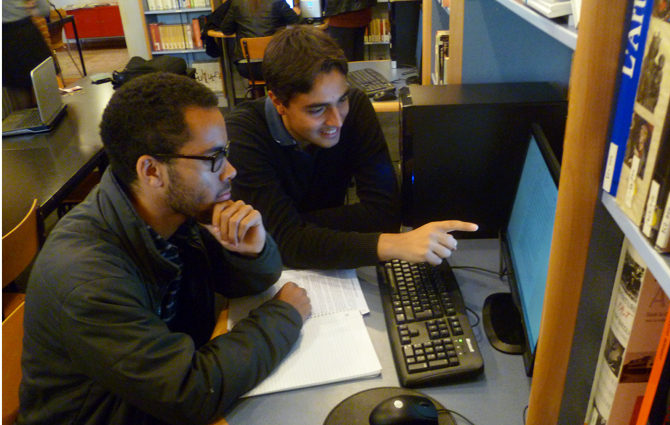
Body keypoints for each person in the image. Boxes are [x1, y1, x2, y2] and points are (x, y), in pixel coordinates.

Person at [17, 73, 312, 425]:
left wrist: (251, 251)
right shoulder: (86, 277)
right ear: (152, 171)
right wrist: (283, 317)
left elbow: (250, 285)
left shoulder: (171, 212)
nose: (230, 171)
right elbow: (188, 393)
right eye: (214, 158)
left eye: (226, 152)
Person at [225, 25, 477, 270]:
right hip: (271, 271)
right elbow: (283, 243)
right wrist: (393, 244)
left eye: (341, 99)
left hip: (330, 265)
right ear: (278, 102)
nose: (337, 121)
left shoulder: (355, 107)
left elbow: (385, 214)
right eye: (317, 109)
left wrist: (294, 228)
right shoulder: (243, 135)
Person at [213, 0, 301, 87]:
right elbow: (298, 23)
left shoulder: (237, 3)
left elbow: (226, 30)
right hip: (276, 66)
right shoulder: (278, 1)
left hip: (247, 67)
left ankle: (259, 97)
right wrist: (296, 11)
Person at [2, 0, 52, 110]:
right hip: (28, 33)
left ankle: (28, 125)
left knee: (20, 96)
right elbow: (44, 9)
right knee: (47, 92)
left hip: (6, 40)